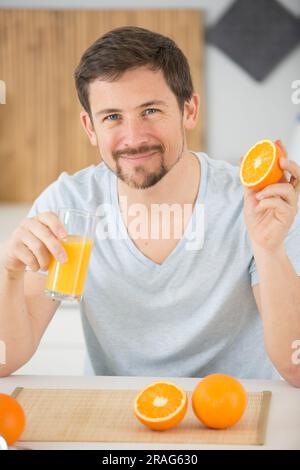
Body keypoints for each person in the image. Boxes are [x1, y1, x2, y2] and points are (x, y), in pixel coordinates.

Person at [1, 26, 300, 385]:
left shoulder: (254, 203)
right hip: (116, 421)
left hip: (234, 417)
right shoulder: (68, 205)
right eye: (112, 117)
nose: (134, 138)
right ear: (90, 127)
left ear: (189, 109)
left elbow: (295, 368)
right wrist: (9, 273)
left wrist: (269, 250)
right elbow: (6, 359)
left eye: (151, 111)